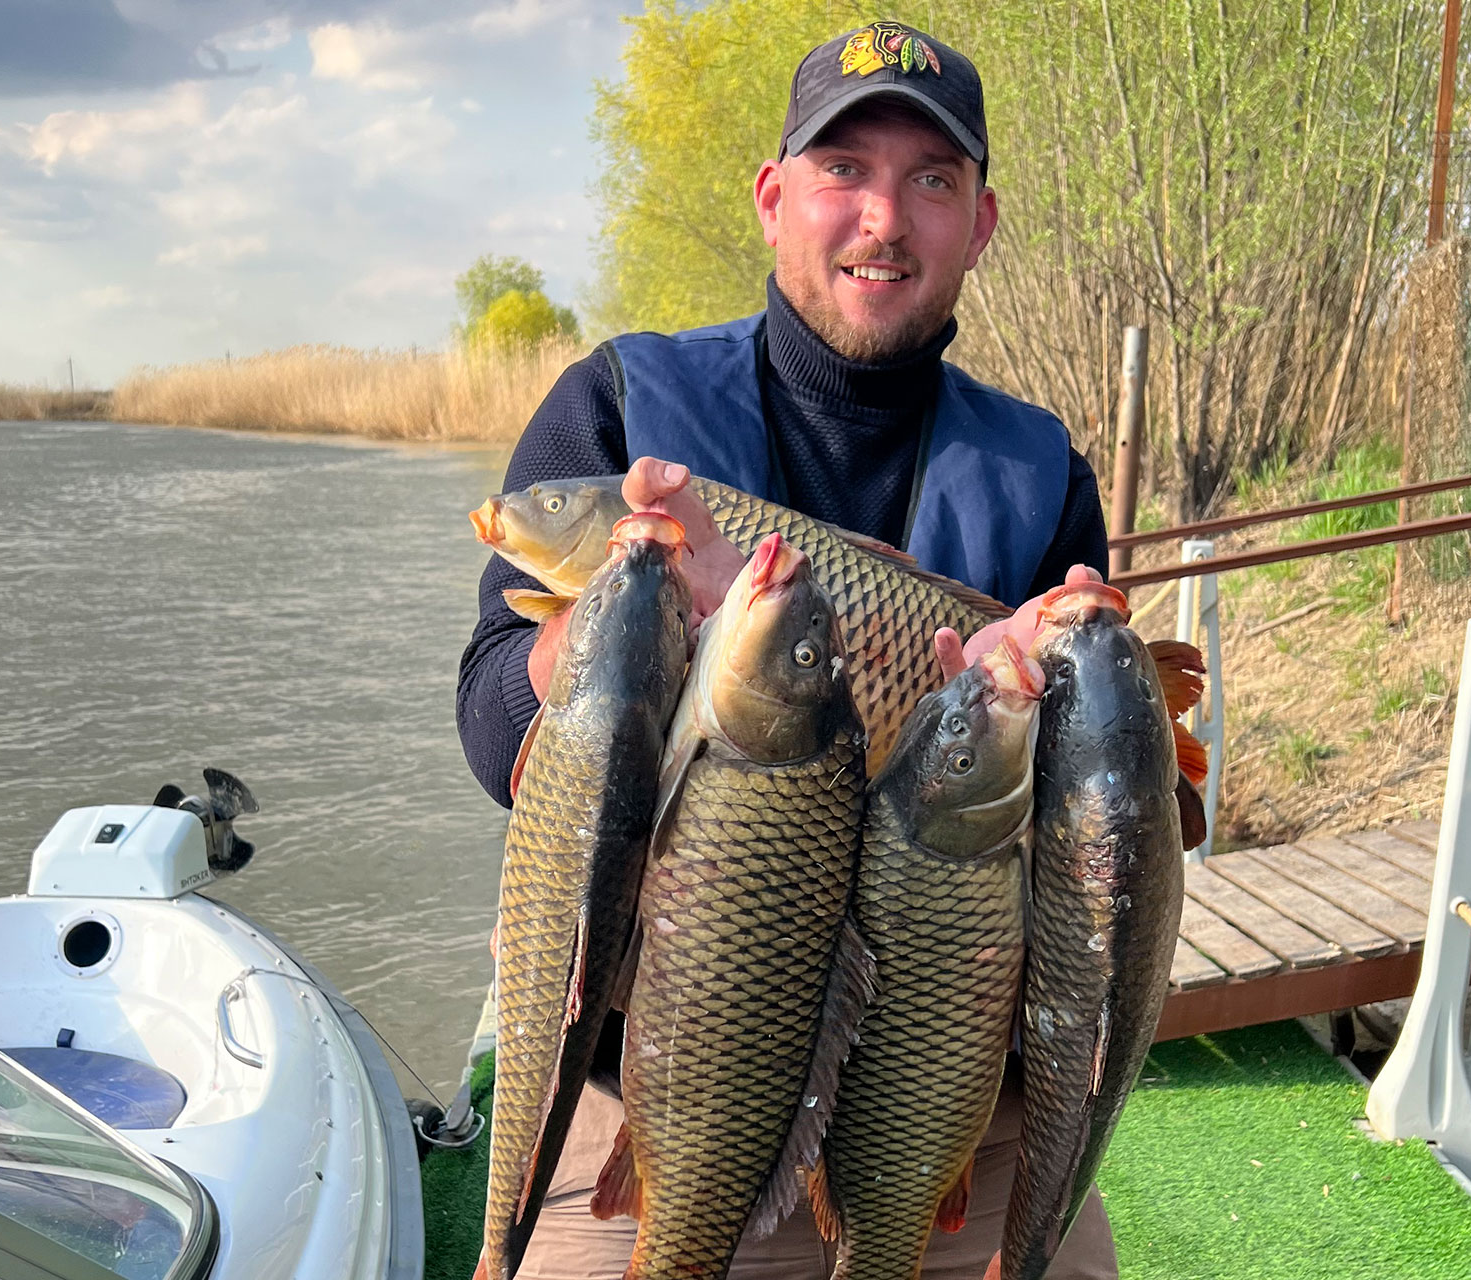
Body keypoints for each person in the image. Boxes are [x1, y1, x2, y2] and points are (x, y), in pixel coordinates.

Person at [456, 21, 1116, 1280]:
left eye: (933, 180)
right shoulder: (618, 412)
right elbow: (493, 728)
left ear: (980, 225)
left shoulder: (1040, 473)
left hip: (944, 1103)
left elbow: (1130, 828)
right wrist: (634, 622)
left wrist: (1068, 702)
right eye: (844, 171)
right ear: (774, 200)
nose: (884, 218)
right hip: (669, 1074)